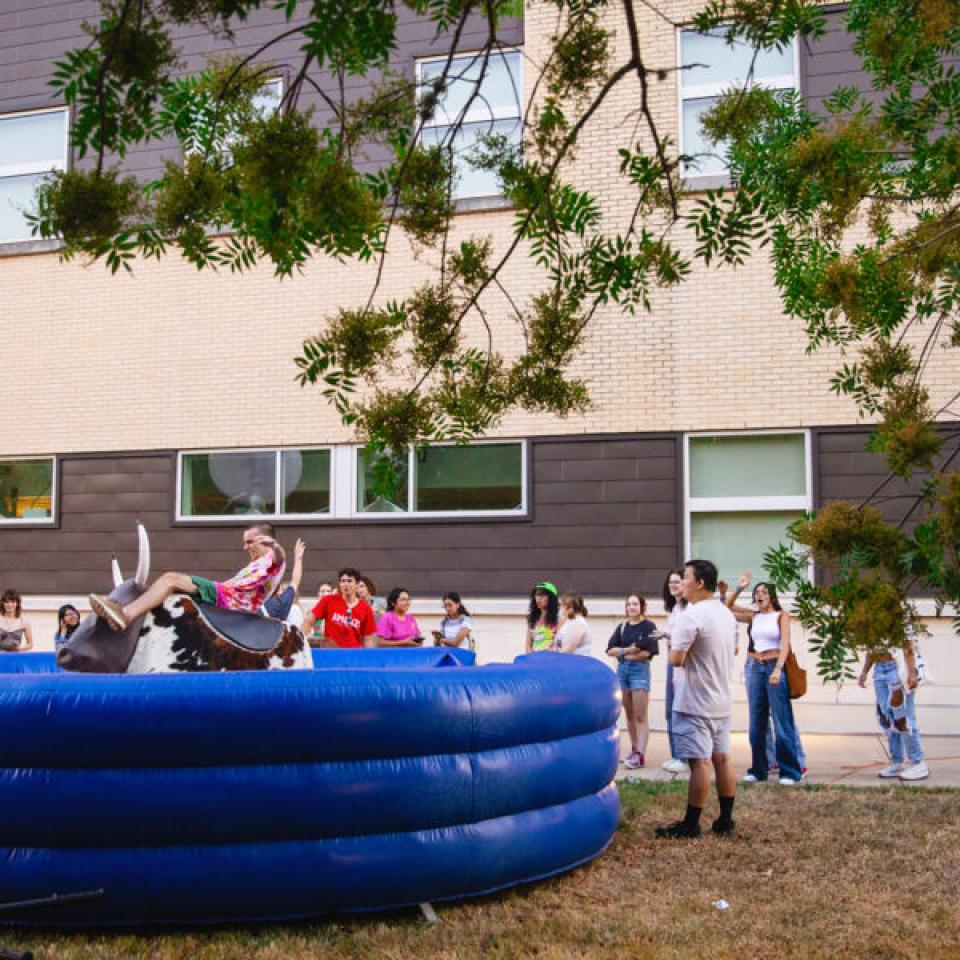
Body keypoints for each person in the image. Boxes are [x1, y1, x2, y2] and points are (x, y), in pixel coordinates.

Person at [656, 559, 737, 839]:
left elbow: (676, 659)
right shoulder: (726, 614)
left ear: (700, 583)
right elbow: (733, 650)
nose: (680, 585)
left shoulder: (692, 616)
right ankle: (725, 820)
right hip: (722, 699)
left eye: (685, 578)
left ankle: (691, 824)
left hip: (694, 700)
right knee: (722, 759)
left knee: (700, 763)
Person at [89, 522, 285, 630]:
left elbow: (281, 556)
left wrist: (273, 545)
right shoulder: (259, 564)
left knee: (171, 579)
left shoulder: (272, 559)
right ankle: (135, 610)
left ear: (266, 540)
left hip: (224, 598)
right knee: (170, 593)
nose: (246, 547)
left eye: (250, 542)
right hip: (226, 597)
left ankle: (126, 614)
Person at [723, 573, 804, 785]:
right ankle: (759, 769)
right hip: (754, 667)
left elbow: (785, 645)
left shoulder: (781, 615)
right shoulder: (754, 616)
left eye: (764, 592)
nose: (760, 595)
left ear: (772, 596)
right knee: (756, 720)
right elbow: (727, 607)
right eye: (757, 592)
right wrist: (740, 588)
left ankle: (790, 772)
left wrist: (778, 669)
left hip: (773, 666)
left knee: (781, 719)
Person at [858, 635, 928, 781]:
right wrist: (865, 671)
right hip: (879, 670)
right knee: (887, 717)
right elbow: (872, 649)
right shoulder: (872, 618)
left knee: (903, 717)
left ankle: (918, 763)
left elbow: (908, 645)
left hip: (897, 669)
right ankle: (897, 762)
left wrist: (911, 672)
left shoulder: (897, 614)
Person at [606, 594, 658, 769]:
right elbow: (610, 650)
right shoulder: (622, 627)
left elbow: (647, 653)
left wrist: (623, 655)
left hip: (639, 672)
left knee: (640, 714)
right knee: (629, 714)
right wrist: (628, 651)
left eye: (635, 604)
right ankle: (634, 749)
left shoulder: (648, 626)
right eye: (629, 604)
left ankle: (640, 754)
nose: (631, 607)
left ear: (642, 606)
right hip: (622, 672)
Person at [303, 567, 377, 648]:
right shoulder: (328, 600)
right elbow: (308, 622)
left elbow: (367, 639)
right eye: (343, 581)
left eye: (349, 581)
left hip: (352, 655)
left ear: (357, 585)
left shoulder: (366, 608)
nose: (346, 584)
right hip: (330, 654)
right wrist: (301, 644)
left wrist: (369, 658)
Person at [660, 569, 689, 774]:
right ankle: (675, 754)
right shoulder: (674, 608)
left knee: (681, 706)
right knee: (670, 706)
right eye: (670, 582)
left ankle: (684, 756)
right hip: (672, 654)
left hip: (683, 659)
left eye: (677, 582)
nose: (673, 585)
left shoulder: (690, 608)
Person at [263, 538, 306, 625]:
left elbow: (295, 582)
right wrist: (298, 558)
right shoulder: (279, 604)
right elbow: (295, 582)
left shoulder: (258, 602)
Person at [525, 582, 560, 652]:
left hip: (551, 658)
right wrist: (531, 657)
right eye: (537, 595)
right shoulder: (532, 618)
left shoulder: (559, 618)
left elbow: (560, 643)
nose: (538, 599)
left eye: (542, 595)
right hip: (534, 659)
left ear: (551, 598)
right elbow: (528, 645)